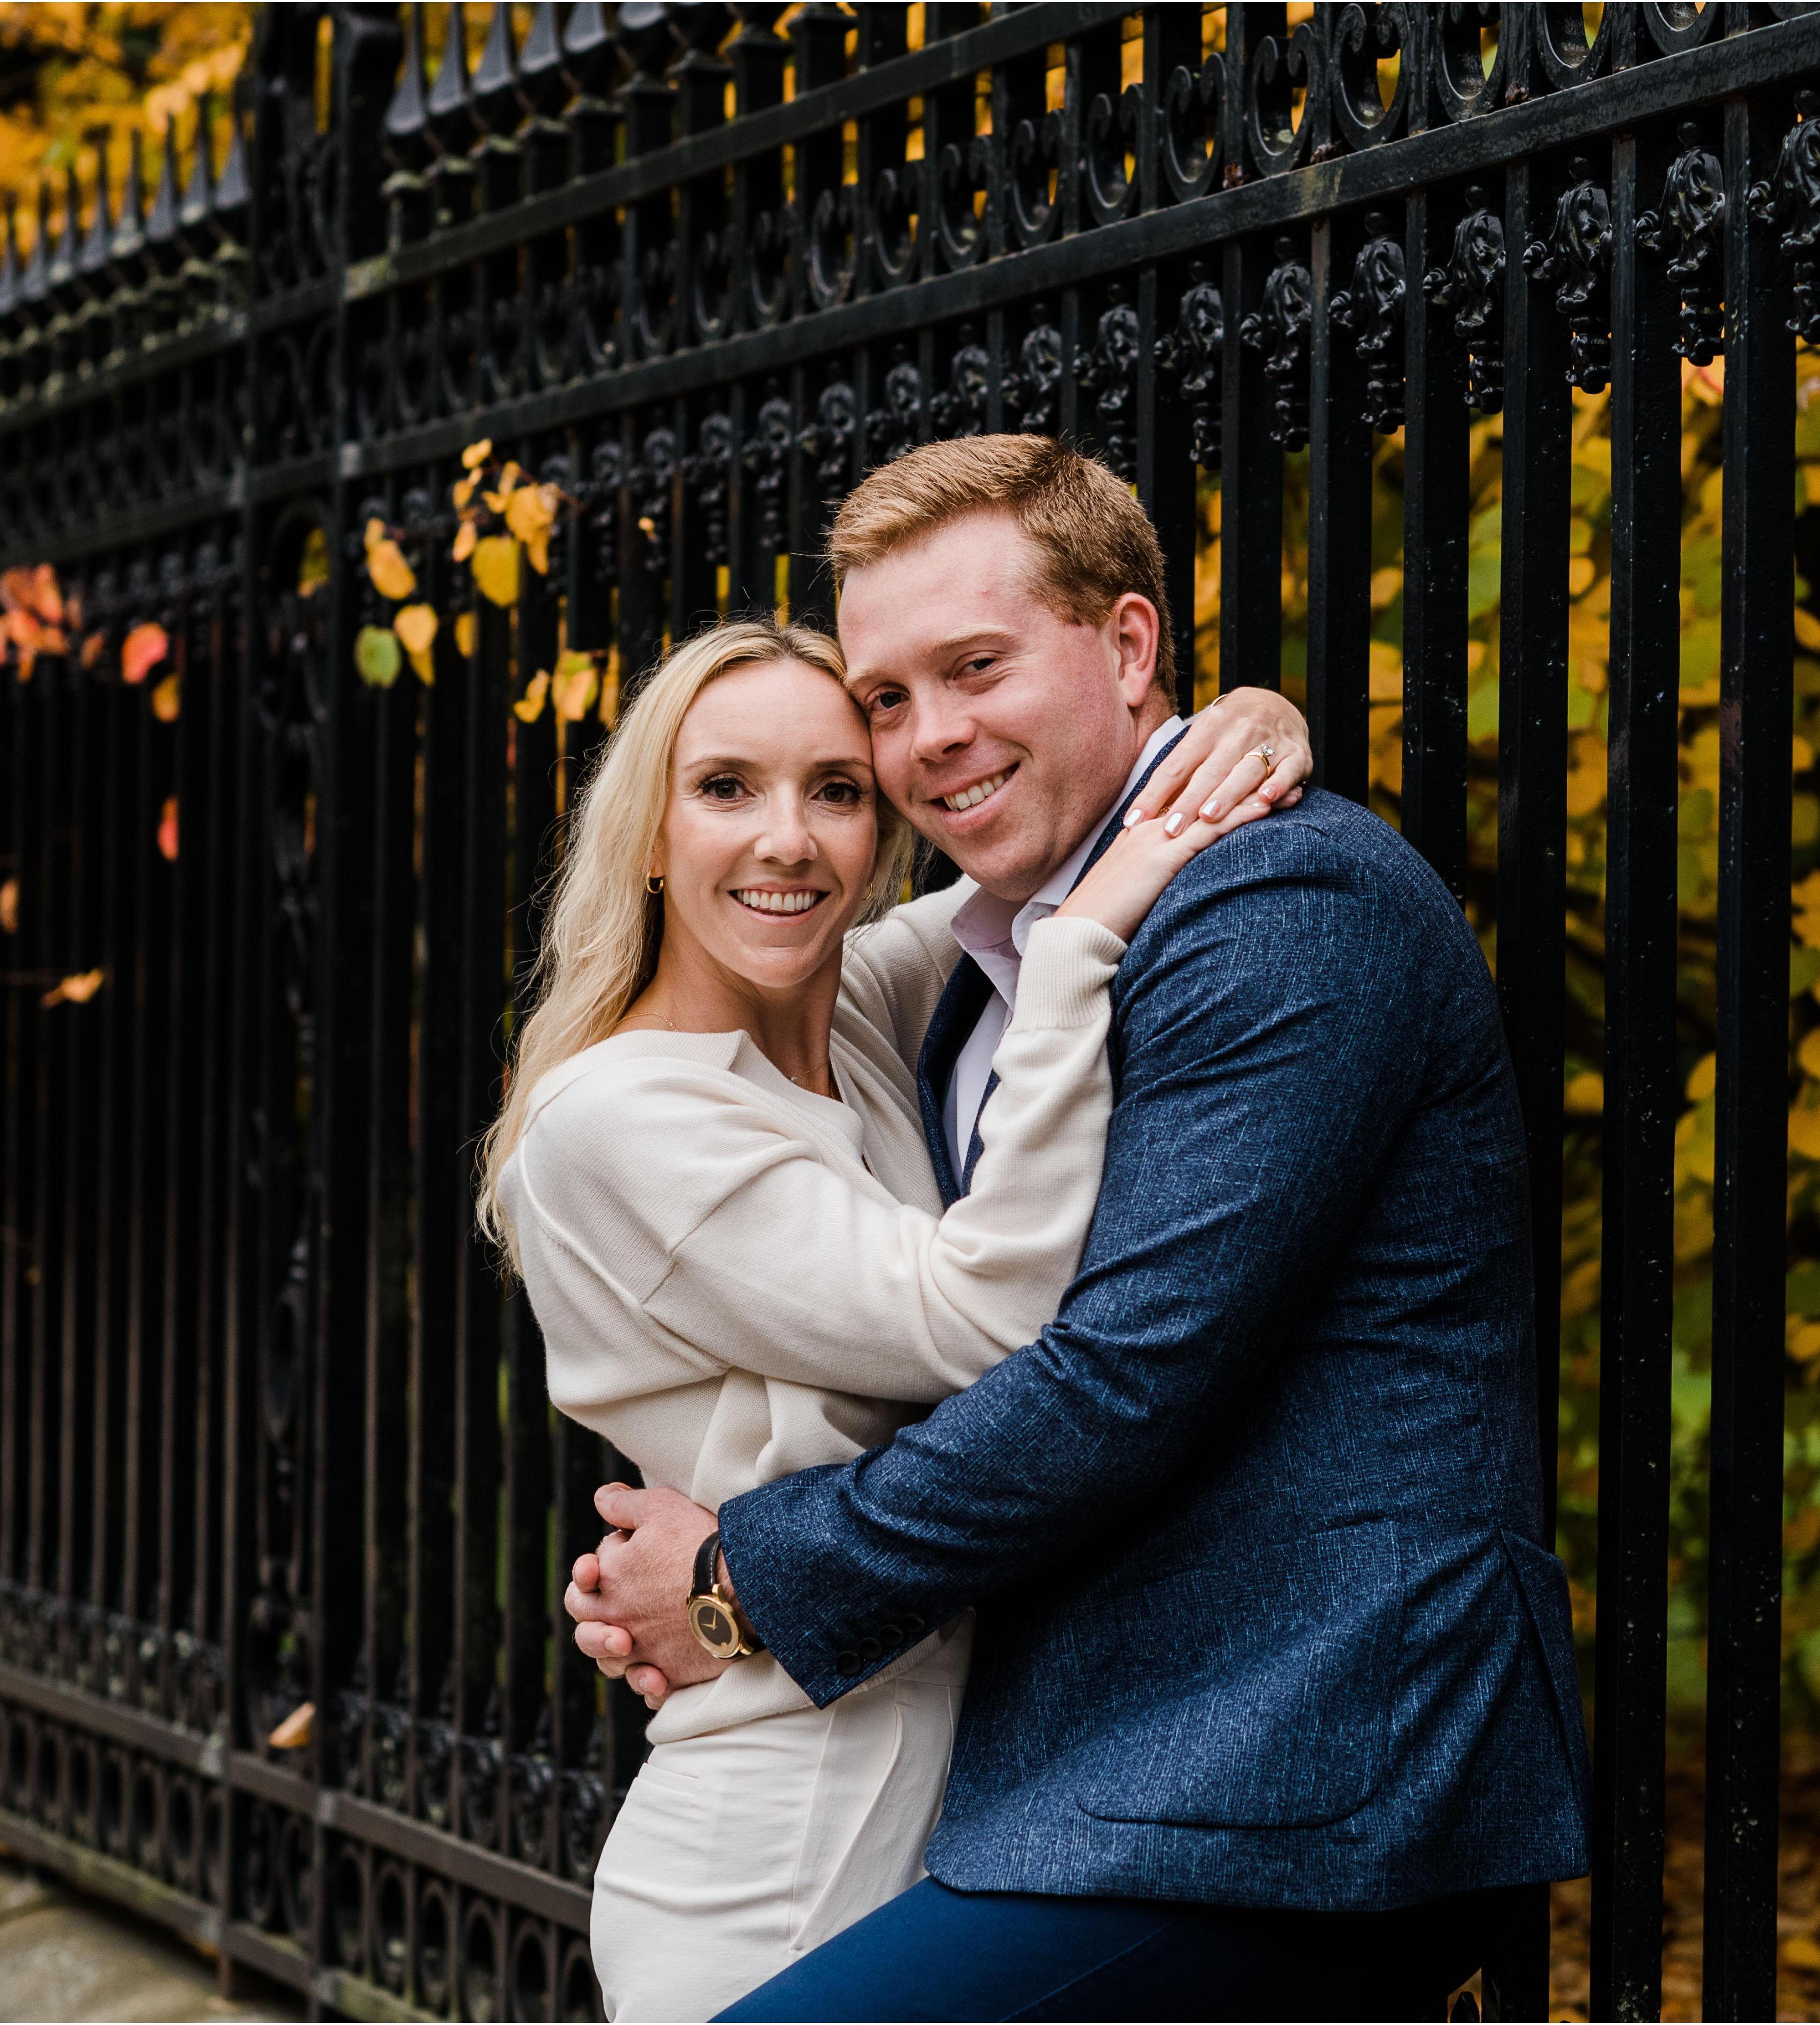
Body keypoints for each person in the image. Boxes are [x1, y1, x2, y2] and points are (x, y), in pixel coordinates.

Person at [565, 436, 1593, 2023]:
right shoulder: (972, 966)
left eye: (976, 667)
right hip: (1097, 1768)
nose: (930, 740)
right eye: (888, 699)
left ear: (1127, 645)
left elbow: (1120, 1377)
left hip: (1301, 1764)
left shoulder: (1281, 905)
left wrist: (742, 1583)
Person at [478, 598, 1309, 2024]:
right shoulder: (622, 1112)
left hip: (942, 1790)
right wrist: (1074, 962)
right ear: (650, 831)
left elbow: (1082, 841)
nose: (787, 840)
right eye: (726, 787)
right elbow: (980, 1322)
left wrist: (1249, 729)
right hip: (780, 1837)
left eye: (838, 791)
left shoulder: (842, 1004)